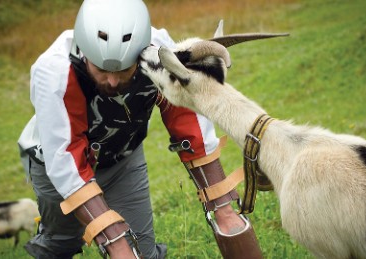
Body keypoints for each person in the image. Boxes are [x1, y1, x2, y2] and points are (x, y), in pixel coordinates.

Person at [17, 0, 263, 258]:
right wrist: (113, 238)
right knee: (61, 245)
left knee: (142, 252)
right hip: (56, 169)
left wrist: (222, 207)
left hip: (123, 160)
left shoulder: (159, 50)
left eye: (123, 70)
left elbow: (187, 120)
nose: (112, 81)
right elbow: (66, 157)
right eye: (101, 69)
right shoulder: (53, 71)